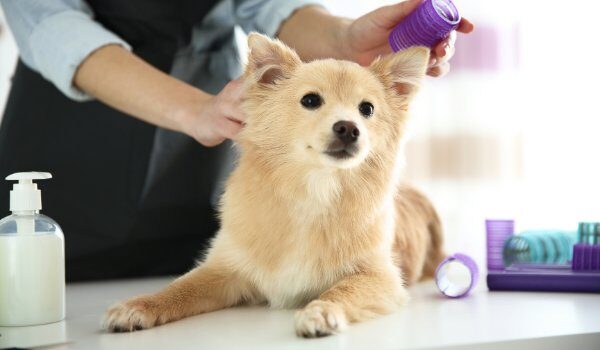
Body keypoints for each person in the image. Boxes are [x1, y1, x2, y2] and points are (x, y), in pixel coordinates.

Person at [0, 0, 473, 281]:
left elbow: (268, 7)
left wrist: (345, 40)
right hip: (70, 144)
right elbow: (50, 23)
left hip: (195, 153)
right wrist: (193, 110)